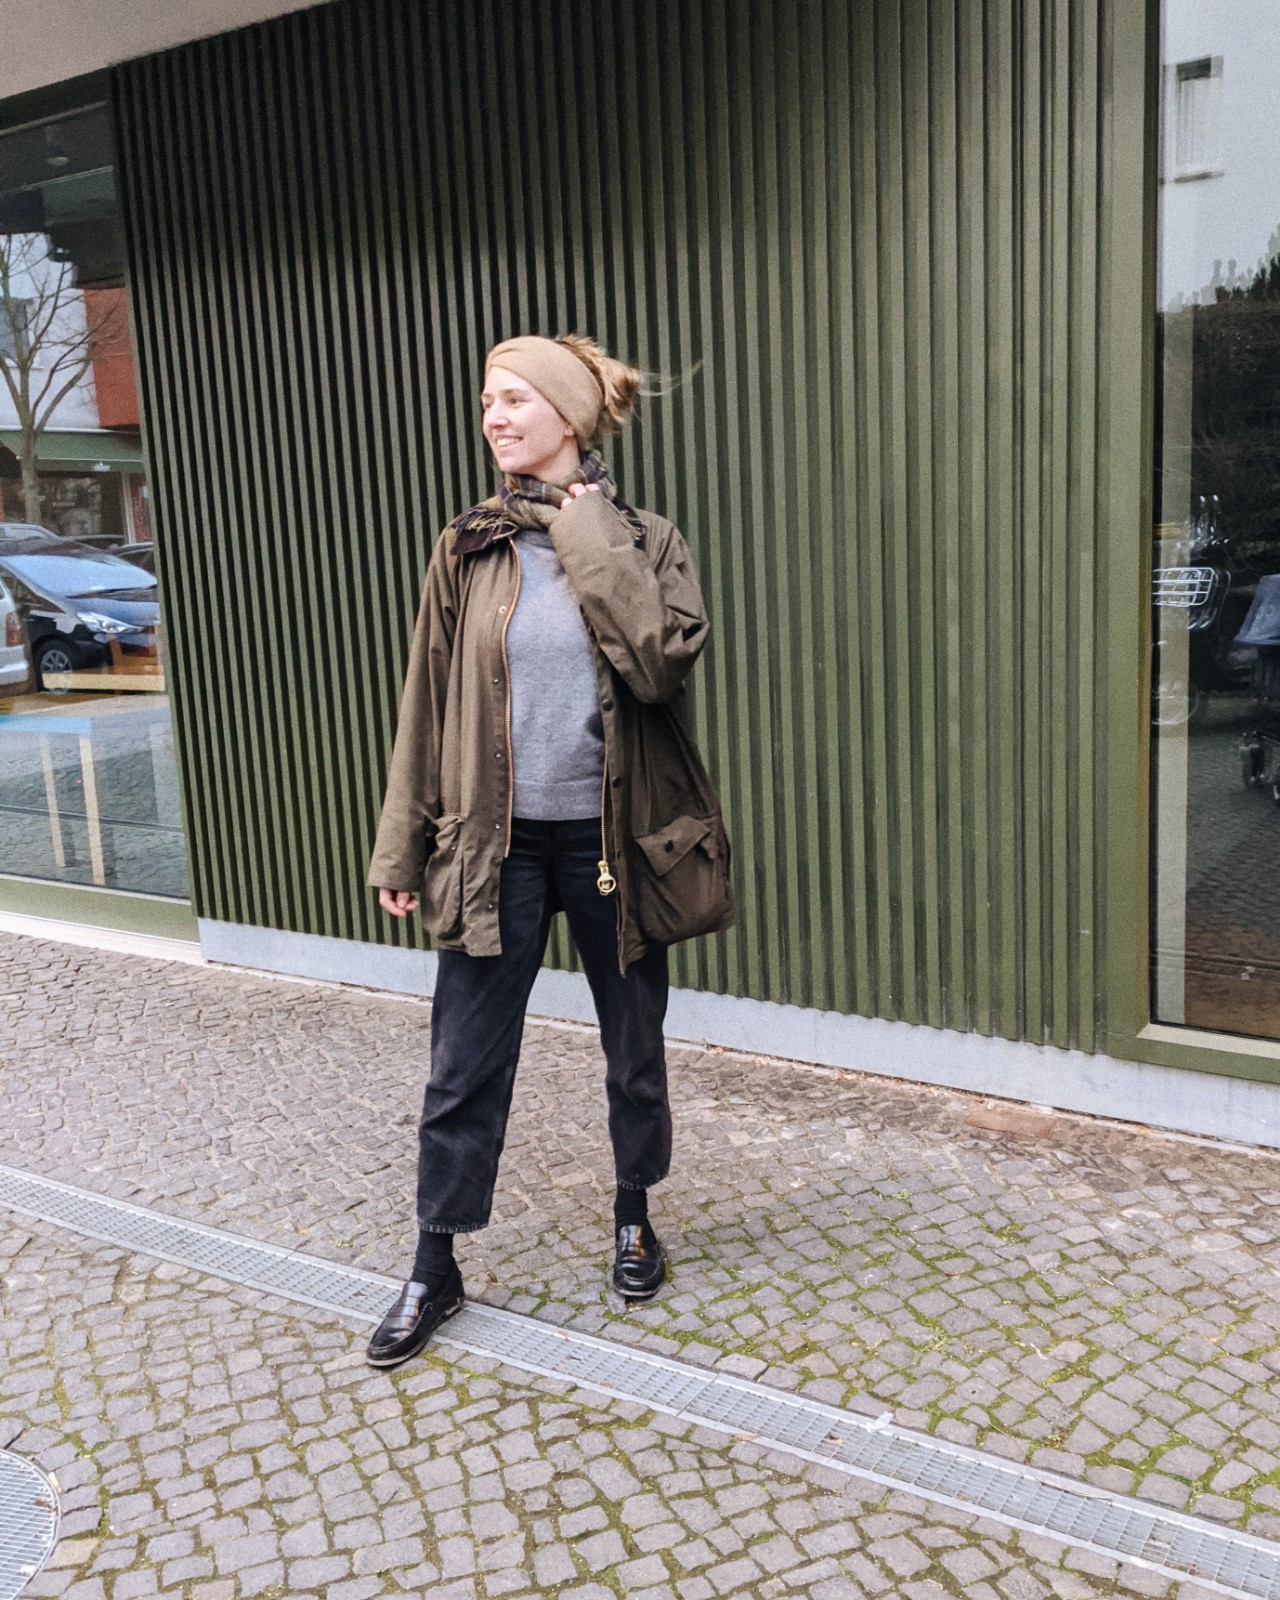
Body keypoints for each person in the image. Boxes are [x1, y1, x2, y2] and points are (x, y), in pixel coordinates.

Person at [364, 333, 734, 1369]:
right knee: (462, 1061)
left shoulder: (646, 541)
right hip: (497, 848)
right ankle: (434, 1262)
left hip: (615, 844)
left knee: (633, 1046)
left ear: (567, 416)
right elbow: (426, 700)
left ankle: (633, 1215)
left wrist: (583, 532)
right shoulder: (468, 545)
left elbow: (658, 664)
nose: (493, 416)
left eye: (515, 399)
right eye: (487, 399)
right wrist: (402, 849)